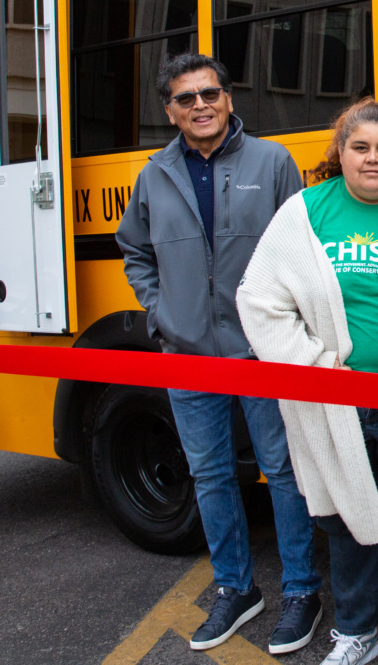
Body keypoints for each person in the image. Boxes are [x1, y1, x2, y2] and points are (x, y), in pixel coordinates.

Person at [116, 52, 322, 655]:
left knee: (284, 474)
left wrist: (289, 328)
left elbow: (302, 249)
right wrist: (162, 314)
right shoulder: (155, 173)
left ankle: (301, 592)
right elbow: (135, 250)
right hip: (188, 355)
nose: (200, 105)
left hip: (263, 349)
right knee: (209, 476)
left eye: (210, 93)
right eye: (186, 98)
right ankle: (235, 589)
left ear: (229, 99)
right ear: (170, 110)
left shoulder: (272, 161)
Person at [236, 99, 378, 665]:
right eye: (360, 147)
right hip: (336, 402)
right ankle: (358, 629)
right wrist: (316, 366)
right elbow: (258, 300)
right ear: (339, 153)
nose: (372, 159)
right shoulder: (305, 212)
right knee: (348, 521)